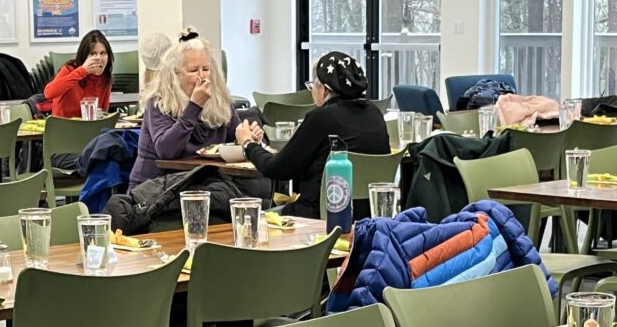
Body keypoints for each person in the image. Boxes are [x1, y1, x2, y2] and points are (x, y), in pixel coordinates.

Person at [234, 52, 390, 218]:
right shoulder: (375, 114)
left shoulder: (322, 117)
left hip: (319, 217)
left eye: (312, 87)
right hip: (370, 219)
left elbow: (276, 169)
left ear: (323, 89)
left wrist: (248, 144)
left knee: (251, 218)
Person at [129, 30, 241, 188]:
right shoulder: (159, 102)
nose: (202, 76)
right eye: (193, 70)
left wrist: (249, 139)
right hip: (156, 188)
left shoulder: (218, 100)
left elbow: (235, 136)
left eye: (206, 69)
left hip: (202, 183)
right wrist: (194, 107)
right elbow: (167, 151)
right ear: (175, 75)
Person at [44, 30, 113, 118]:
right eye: (93, 54)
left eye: (103, 53)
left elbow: (103, 111)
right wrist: (82, 71)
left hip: (89, 125)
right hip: (65, 124)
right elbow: (49, 93)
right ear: (84, 56)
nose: (99, 58)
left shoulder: (105, 77)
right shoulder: (69, 69)